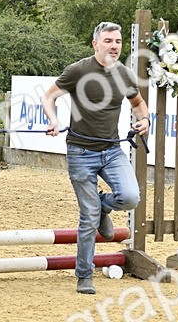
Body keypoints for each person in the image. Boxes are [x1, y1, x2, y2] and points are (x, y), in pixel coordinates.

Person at [42, 21, 150, 295]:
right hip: (80, 152)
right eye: (108, 41)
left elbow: (138, 103)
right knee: (88, 218)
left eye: (118, 42)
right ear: (95, 44)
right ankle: (84, 275)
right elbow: (49, 97)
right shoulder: (79, 70)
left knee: (130, 197)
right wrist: (53, 120)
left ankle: (103, 204)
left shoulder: (124, 74)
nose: (114, 46)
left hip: (112, 150)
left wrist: (145, 120)